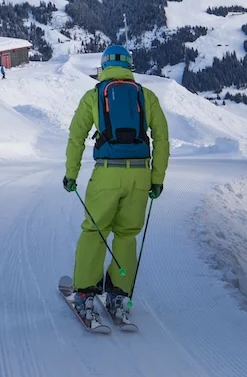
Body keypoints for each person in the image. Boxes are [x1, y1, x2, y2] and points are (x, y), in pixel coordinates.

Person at [63, 44, 170, 328]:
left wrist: (71, 174)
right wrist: (157, 178)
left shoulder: (94, 95)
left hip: (107, 174)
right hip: (140, 175)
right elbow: (162, 140)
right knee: (126, 235)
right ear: (129, 66)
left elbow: (76, 138)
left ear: (104, 66)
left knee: (95, 232)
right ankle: (118, 297)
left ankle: (85, 294)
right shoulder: (146, 97)